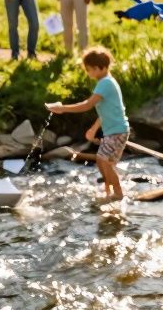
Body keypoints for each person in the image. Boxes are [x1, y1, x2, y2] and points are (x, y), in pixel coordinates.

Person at [45, 47, 129, 201]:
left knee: (105, 161)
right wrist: (94, 128)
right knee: (101, 159)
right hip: (114, 130)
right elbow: (107, 112)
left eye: (89, 70)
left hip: (117, 131)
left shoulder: (105, 83)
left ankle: (118, 193)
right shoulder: (108, 82)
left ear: (99, 68)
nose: (88, 73)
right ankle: (108, 190)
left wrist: (62, 108)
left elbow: (87, 105)